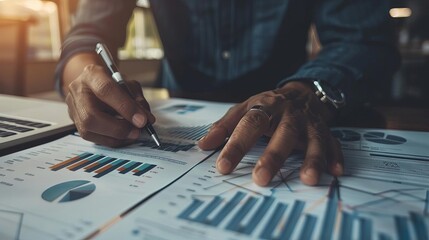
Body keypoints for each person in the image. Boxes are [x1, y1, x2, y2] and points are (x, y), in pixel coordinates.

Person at [55, 0, 400, 187]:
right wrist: (84, 76)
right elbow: (90, 32)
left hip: (289, 108)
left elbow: (363, 39)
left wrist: (306, 91)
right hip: (173, 113)